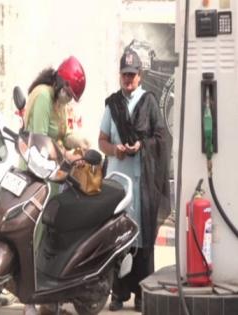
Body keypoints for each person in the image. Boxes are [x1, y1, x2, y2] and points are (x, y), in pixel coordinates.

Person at [98, 49, 170, 312]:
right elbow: (102, 140)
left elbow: (162, 139)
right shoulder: (112, 105)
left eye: (133, 74)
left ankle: (141, 293)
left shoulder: (148, 103)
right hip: (118, 182)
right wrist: (115, 150)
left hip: (141, 184)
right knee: (118, 237)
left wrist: (143, 145)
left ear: (139, 76)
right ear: (120, 76)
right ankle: (118, 294)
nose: (128, 79)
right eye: (125, 75)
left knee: (141, 238)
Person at [22, 56, 86, 315]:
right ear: (62, 83)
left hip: (54, 176)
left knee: (51, 236)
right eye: (69, 93)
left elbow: (60, 134)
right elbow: (40, 141)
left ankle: (49, 295)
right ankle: (29, 300)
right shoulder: (43, 97)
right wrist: (66, 154)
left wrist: (78, 141)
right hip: (36, 175)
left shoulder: (59, 103)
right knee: (34, 236)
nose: (69, 98)